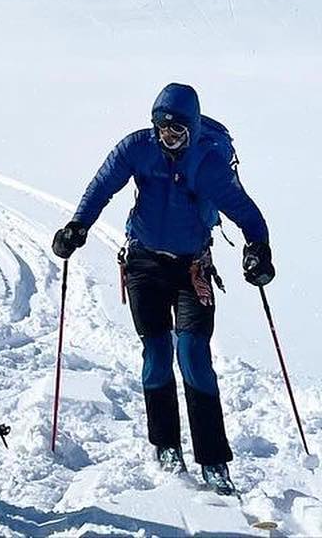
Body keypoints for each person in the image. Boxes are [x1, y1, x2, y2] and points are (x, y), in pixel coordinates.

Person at [52, 82, 272, 496]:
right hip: (143, 263)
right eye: (160, 129)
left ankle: (214, 459)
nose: (166, 138)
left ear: (190, 129)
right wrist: (77, 226)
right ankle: (166, 445)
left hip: (192, 268)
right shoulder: (137, 148)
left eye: (176, 132)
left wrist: (258, 250)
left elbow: (247, 212)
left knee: (193, 356)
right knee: (156, 353)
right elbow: (101, 186)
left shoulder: (208, 164)